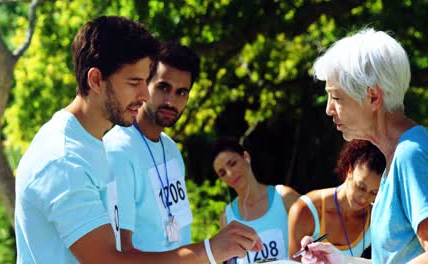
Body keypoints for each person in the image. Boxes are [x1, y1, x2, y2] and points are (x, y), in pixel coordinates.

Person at [15, 16, 261, 263]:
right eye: (134, 83)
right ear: (96, 80)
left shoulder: (90, 142)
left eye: (145, 82)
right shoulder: (64, 159)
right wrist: (209, 250)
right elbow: (109, 260)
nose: (144, 95)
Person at [298, 28, 428, 263]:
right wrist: (342, 261)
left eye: (336, 97)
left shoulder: (410, 157)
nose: (328, 109)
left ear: (373, 97)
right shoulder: (402, 155)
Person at [103, 41, 197, 252]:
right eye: (164, 87)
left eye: (182, 92)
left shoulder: (171, 149)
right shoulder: (118, 151)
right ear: (145, 85)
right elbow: (122, 250)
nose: (171, 101)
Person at [288, 140, 385, 260]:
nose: (364, 198)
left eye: (374, 192)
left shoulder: (376, 217)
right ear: (349, 170)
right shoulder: (305, 210)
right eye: (361, 187)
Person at [211, 137, 300, 263]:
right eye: (222, 173)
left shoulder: (285, 197)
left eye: (232, 163)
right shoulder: (226, 217)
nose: (230, 173)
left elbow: (317, 239)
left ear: (246, 157)